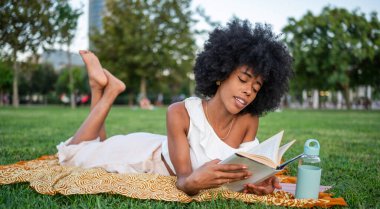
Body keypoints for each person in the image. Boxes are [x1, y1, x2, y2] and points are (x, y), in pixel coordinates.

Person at [57, 19, 292, 196]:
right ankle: (108, 92)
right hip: (144, 158)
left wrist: (261, 180)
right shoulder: (180, 112)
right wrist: (193, 181)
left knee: (98, 144)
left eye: (257, 86)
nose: (248, 90)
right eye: (243, 79)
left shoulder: (248, 120)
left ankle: (99, 87)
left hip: (160, 144)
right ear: (221, 74)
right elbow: (184, 181)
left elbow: (245, 170)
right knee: (74, 153)